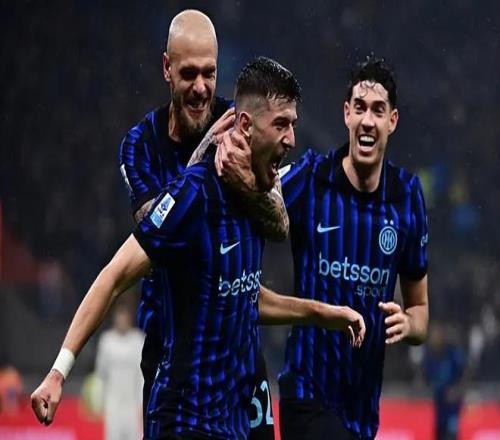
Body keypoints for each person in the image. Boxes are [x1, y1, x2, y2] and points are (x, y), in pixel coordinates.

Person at [31, 56, 365, 440]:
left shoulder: (257, 197)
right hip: (185, 418)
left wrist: (325, 313)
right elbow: (114, 276)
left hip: (233, 417)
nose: (291, 138)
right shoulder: (193, 193)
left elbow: (246, 298)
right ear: (245, 126)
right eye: (280, 125)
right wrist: (59, 372)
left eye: (292, 124)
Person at [217, 55, 429, 440]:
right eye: (360, 108)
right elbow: (255, 199)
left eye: (378, 110)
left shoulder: (408, 197)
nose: (367, 120)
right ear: (346, 114)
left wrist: (409, 323)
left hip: (362, 411)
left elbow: (421, 313)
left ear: (392, 121)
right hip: (306, 392)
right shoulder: (312, 177)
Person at [118, 10, 287, 439]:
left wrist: (246, 186)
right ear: (166, 68)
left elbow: (280, 222)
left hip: (239, 353)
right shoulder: (141, 145)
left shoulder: (240, 124)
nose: (200, 87)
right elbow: (156, 238)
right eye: (188, 73)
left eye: (209, 73)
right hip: (171, 355)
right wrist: (202, 166)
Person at [95, 304, 144, 440]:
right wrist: (100, 401)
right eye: (119, 317)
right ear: (115, 319)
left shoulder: (138, 340)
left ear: (129, 319)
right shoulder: (106, 341)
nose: (122, 321)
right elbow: (101, 374)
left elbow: (141, 376)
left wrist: (141, 403)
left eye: (124, 318)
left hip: (132, 404)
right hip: (113, 403)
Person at [424, 323, 466, 440]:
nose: (435, 340)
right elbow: (427, 379)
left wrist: (457, 390)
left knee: (451, 433)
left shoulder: (452, 354)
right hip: (439, 405)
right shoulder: (430, 357)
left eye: (437, 336)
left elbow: (464, 373)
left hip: (452, 406)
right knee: (439, 433)